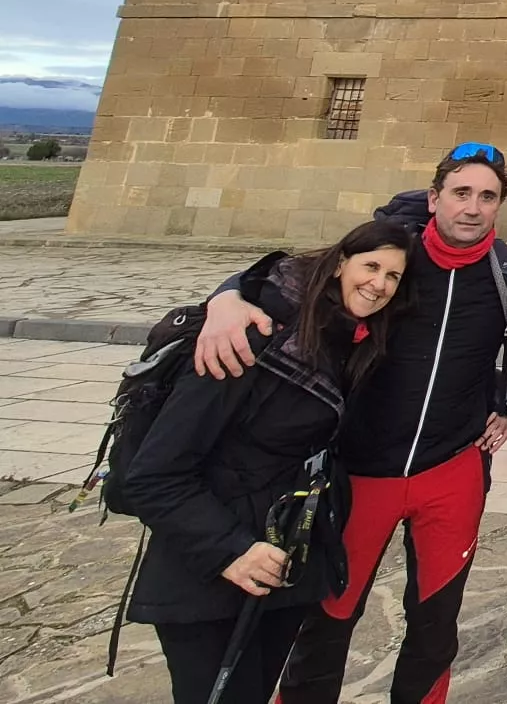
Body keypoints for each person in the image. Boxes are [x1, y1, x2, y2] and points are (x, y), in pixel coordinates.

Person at [194, 142, 507, 704]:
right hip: (360, 470)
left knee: (435, 624)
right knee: (329, 620)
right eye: (461, 193)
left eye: (487, 197)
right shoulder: (391, 258)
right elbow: (286, 277)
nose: (472, 207)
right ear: (435, 198)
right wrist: (224, 301)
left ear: (499, 206)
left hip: (452, 468)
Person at [122, 221, 413, 704]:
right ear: (341, 262)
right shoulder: (247, 338)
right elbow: (155, 475)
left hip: (280, 565)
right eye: (371, 266)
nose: (379, 284)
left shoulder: (348, 343)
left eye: (393, 276)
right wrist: (232, 551)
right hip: (211, 573)